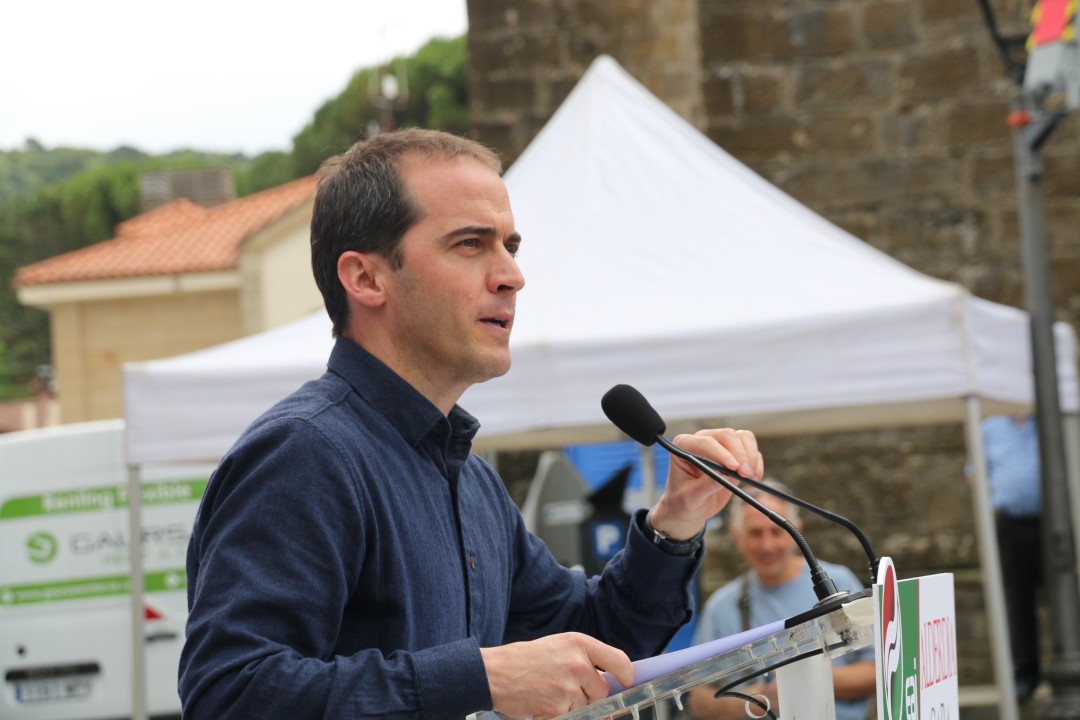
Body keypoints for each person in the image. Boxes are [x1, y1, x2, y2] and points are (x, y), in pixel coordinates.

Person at [178, 128, 765, 720]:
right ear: (366, 278)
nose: (512, 275)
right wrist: (480, 678)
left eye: (510, 245)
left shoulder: (471, 481)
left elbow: (595, 641)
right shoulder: (306, 454)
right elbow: (229, 694)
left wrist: (675, 523)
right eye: (470, 244)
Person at [687, 479, 875, 720]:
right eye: (755, 533)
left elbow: (878, 670)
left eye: (777, 532)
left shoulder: (838, 585)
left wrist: (800, 676)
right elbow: (697, 697)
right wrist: (749, 702)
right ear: (736, 536)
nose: (767, 546)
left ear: (797, 531)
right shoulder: (722, 606)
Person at [981, 413, 1042, 702]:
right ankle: (1026, 674)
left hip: (1055, 522)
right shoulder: (990, 427)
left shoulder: (1052, 420)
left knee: (1068, 597)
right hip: (1012, 525)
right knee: (1018, 601)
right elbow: (975, 474)